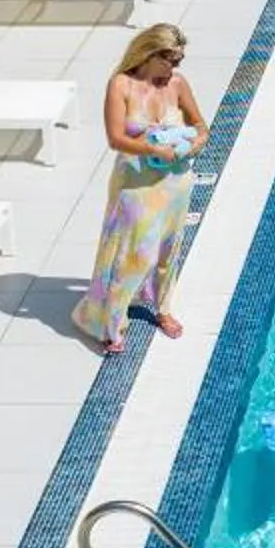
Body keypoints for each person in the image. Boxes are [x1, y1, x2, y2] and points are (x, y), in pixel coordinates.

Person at [73, 23, 206, 354]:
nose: (174, 68)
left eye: (179, 60)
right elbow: (116, 138)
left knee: (167, 248)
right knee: (132, 252)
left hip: (174, 181)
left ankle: (162, 307)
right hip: (135, 182)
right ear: (150, 54)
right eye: (170, 60)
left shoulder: (177, 84)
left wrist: (193, 146)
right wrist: (153, 149)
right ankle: (110, 321)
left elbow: (201, 127)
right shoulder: (122, 85)